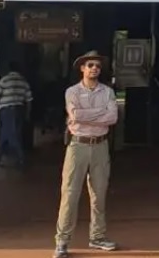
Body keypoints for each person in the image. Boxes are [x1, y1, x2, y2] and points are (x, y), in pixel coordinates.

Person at [53, 51, 119, 258]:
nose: (94, 69)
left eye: (97, 66)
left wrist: (84, 116)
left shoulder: (107, 91)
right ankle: (62, 242)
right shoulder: (72, 91)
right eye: (90, 65)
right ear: (82, 68)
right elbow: (74, 114)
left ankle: (97, 236)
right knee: (70, 194)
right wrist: (99, 113)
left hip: (100, 145)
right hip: (78, 146)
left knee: (99, 194)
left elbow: (112, 118)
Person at [0, 62, 33, 168]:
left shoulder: (5, 80)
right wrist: (27, 114)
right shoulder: (23, 81)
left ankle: (21, 159)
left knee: (11, 136)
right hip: (19, 110)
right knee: (9, 134)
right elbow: (29, 99)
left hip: (7, 111)